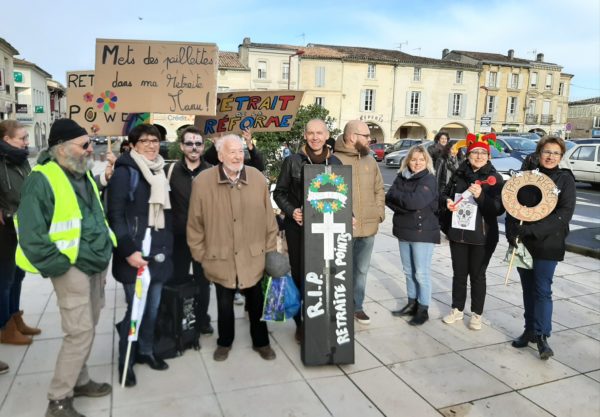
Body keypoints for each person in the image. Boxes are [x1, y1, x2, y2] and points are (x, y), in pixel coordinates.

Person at [15, 118, 116, 417]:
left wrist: (105, 180)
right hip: (70, 265)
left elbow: (86, 208)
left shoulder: (80, 172)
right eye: (84, 145)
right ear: (61, 148)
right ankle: (58, 400)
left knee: (89, 325)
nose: (90, 150)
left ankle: (80, 380)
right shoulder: (42, 178)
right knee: (79, 330)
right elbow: (31, 234)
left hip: (95, 261)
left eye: (90, 144)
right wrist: (60, 265)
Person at [187, 134, 278, 362]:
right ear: (220, 156)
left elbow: (269, 219)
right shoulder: (202, 182)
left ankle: (262, 342)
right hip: (220, 255)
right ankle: (224, 342)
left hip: (253, 254)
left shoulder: (257, 178)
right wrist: (201, 255)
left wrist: (269, 251)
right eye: (231, 152)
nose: (238, 156)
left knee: (256, 301)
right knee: (224, 303)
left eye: (240, 151)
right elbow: (195, 223)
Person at [107, 124, 173, 387]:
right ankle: (127, 358)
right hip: (134, 254)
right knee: (136, 310)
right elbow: (115, 215)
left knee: (153, 309)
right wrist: (128, 250)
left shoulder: (161, 169)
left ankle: (146, 351)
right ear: (133, 145)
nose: (150, 145)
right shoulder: (126, 172)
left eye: (154, 140)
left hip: (158, 252)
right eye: (144, 141)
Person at [506, 136, 576, 360]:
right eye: (547, 151)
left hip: (548, 243)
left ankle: (542, 335)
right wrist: (512, 232)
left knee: (542, 289)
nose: (550, 156)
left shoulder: (565, 180)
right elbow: (512, 205)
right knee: (528, 289)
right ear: (539, 153)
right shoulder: (527, 176)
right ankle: (529, 331)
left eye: (555, 153)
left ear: (561, 157)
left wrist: (531, 230)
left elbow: (563, 214)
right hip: (524, 244)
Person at [273, 119, 341, 341]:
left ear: (326, 135)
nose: (315, 137)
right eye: (310, 133)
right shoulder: (292, 161)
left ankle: (321, 320)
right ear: (305, 135)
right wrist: (292, 211)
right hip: (299, 230)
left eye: (319, 133)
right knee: (302, 275)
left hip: (327, 230)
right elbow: (279, 192)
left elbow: (343, 195)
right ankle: (301, 323)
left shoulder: (336, 162)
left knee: (325, 276)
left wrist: (349, 216)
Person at [440, 133, 504, 330]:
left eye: (482, 152)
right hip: (459, 232)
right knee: (459, 274)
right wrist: (447, 202)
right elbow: (444, 194)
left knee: (477, 275)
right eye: (474, 152)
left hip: (482, 236)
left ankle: (477, 313)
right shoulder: (459, 173)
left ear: (488, 156)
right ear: (467, 155)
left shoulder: (495, 178)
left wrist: (482, 196)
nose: (478, 156)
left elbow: (498, 209)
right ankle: (457, 309)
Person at [334, 120, 385, 325]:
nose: (370, 141)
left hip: (369, 226)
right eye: (367, 137)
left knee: (361, 270)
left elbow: (379, 189)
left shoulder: (370, 160)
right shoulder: (334, 159)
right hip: (344, 228)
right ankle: (340, 306)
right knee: (340, 270)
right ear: (353, 137)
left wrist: (379, 213)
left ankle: (357, 307)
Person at [166, 126, 213, 334]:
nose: (194, 148)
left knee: (204, 283)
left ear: (203, 147)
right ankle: (180, 320)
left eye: (198, 144)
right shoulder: (170, 172)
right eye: (189, 143)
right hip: (179, 239)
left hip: (205, 240)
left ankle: (202, 320)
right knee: (179, 280)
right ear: (181, 146)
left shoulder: (212, 172)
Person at [386, 145, 440, 325]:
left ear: (427, 162)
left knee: (421, 273)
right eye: (413, 159)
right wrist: (406, 203)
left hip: (422, 232)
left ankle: (423, 309)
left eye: (421, 160)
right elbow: (389, 197)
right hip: (403, 229)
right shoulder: (401, 176)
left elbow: (415, 201)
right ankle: (412, 303)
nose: (417, 163)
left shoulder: (429, 179)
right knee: (408, 271)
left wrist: (403, 201)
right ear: (407, 160)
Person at [0, 120, 40, 346]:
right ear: (7, 140)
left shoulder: (21, 160)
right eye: (22, 138)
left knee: (18, 275)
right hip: (4, 228)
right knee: (4, 280)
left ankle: (15, 319)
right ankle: (4, 328)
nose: (27, 142)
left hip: (21, 224)